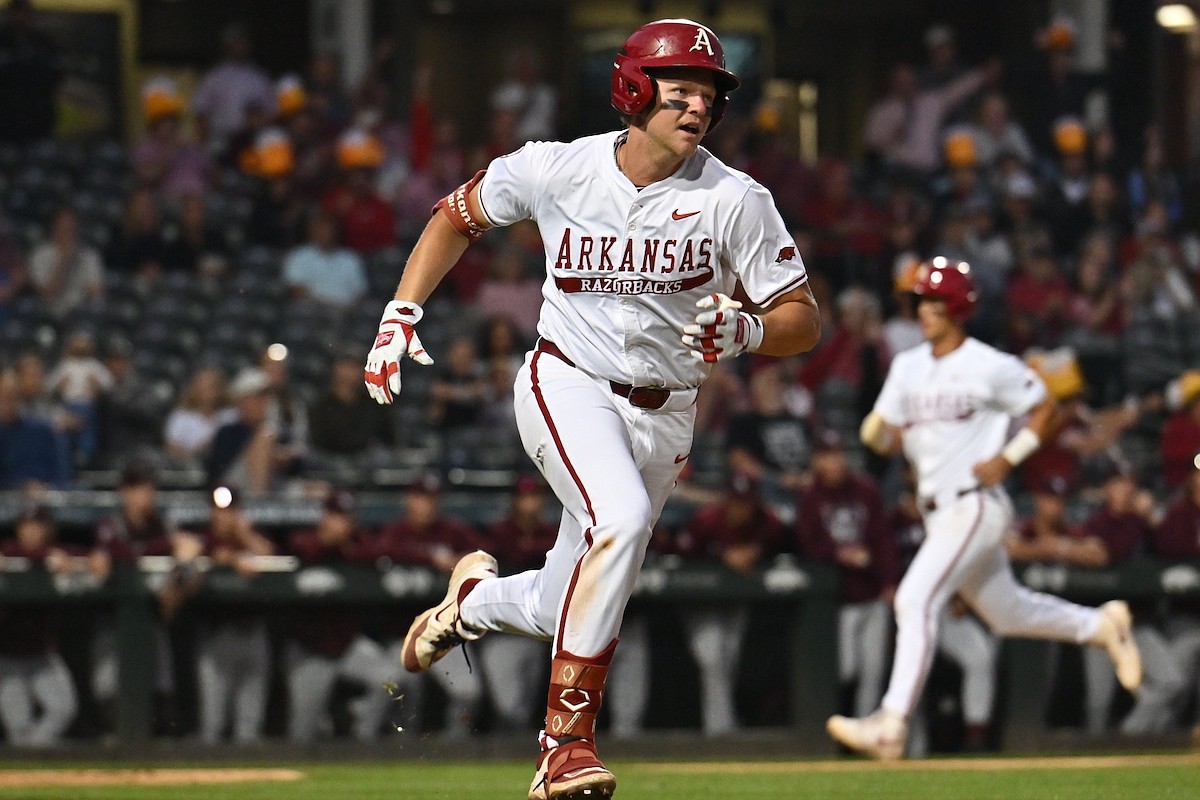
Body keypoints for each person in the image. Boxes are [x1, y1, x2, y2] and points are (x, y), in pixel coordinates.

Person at [363, 19, 820, 799]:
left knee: (565, 595)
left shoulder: (737, 199)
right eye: (681, 90)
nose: (699, 107)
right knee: (620, 521)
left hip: (667, 412)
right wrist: (399, 315)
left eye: (709, 93)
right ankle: (563, 746)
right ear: (633, 89)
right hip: (566, 380)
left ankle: (473, 604)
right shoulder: (558, 168)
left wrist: (749, 328)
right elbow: (455, 216)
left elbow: (803, 318)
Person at [826, 257, 1142, 760]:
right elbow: (884, 433)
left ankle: (891, 723)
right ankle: (1101, 626)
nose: (925, 309)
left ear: (958, 306)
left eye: (935, 300)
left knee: (913, 600)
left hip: (974, 504)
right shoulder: (907, 367)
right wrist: (880, 434)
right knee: (1006, 613)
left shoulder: (988, 364)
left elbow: (1047, 406)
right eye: (921, 300)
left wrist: (1009, 457)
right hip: (935, 510)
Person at [795, 430, 897, 723]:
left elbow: (883, 539)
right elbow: (806, 542)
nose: (834, 462)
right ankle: (831, 725)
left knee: (873, 671)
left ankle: (864, 732)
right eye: (827, 456)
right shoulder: (811, 496)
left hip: (872, 592)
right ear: (816, 461)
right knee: (845, 669)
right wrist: (838, 553)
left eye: (837, 454)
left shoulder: (865, 489)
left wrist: (890, 582)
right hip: (837, 599)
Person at [675, 471, 784, 736]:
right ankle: (719, 730)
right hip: (701, 605)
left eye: (745, 504)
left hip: (735, 602)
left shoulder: (767, 521)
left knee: (729, 661)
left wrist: (755, 551)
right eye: (736, 503)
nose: (740, 510)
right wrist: (722, 556)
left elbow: (782, 543)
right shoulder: (706, 520)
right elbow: (680, 556)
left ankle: (724, 725)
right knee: (714, 660)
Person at [285, 488, 394, 743]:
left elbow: (377, 554)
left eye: (346, 516)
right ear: (324, 516)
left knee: (392, 681)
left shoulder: (357, 545)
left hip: (347, 646)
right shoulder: (305, 541)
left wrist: (345, 544)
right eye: (335, 515)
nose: (341, 522)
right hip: (310, 651)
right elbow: (302, 549)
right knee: (302, 732)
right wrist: (328, 542)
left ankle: (360, 729)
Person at [186, 485, 275, 744]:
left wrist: (244, 535)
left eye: (230, 510)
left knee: (249, 728)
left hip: (253, 634)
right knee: (212, 725)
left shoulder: (250, 538)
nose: (224, 516)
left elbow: (269, 555)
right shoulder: (203, 540)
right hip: (216, 636)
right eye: (219, 511)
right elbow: (196, 552)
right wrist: (229, 559)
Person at [0, 506, 79, 747]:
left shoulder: (55, 555)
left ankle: (31, 756)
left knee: (63, 708)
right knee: (17, 726)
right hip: (7, 658)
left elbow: (87, 558)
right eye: (26, 525)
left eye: (37, 525)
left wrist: (69, 566)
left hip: (43, 656)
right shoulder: (7, 553)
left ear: (47, 529)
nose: (31, 531)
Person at [282, 210, 368, 310]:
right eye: (322, 229)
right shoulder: (299, 256)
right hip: (313, 312)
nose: (327, 234)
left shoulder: (350, 259)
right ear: (312, 231)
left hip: (345, 312)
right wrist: (326, 306)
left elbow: (361, 292)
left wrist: (346, 308)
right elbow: (296, 289)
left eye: (330, 229)